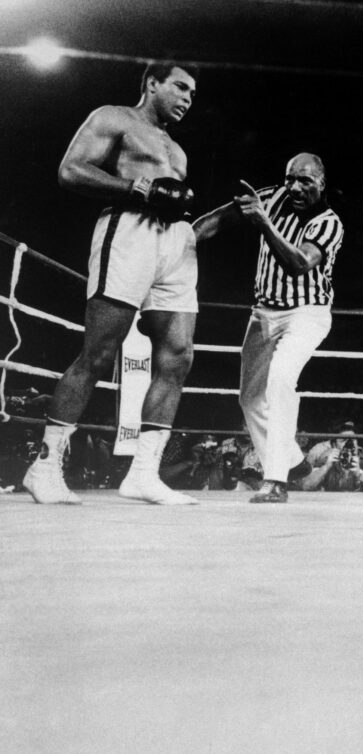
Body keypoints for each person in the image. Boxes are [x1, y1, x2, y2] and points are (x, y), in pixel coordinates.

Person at [23, 63, 200, 505]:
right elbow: (71, 170)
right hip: (128, 231)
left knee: (178, 356)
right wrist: (139, 189)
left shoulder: (177, 150)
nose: (187, 98)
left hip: (174, 244)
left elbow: (169, 199)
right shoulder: (115, 117)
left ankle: (143, 474)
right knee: (99, 353)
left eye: (193, 94)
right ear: (152, 83)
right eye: (180, 87)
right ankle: (44, 467)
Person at [193, 153, 344, 503]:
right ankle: (292, 460)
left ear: (322, 183)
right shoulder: (272, 197)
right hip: (263, 313)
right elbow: (223, 218)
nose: (295, 186)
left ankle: (276, 480)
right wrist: (183, 237)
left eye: (305, 180)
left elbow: (299, 262)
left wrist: (263, 222)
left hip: (307, 314)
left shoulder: (329, 222)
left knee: (280, 382)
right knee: (249, 397)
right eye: (290, 178)